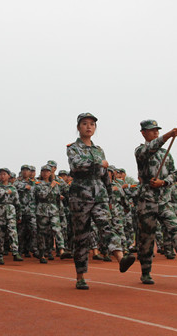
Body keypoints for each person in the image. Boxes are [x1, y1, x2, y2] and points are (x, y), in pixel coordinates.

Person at [67, 113, 135, 290]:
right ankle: (80, 276)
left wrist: (110, 196)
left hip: (100, 195)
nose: (89, 127)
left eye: (92, 124)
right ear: (78, 127)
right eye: (84, 124)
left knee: (106, 226)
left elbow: (104, 174)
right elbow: (76, 165)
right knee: (82, 237)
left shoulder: (99, 150)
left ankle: (121, 258)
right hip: (80, 196)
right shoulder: (73, 148)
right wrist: (100, 162)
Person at [134, 119, 177, 285]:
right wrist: (168, 135)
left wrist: (164, 182)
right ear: (143, 133)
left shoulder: (166, 154)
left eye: (157, 130)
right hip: (147, 201)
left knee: (175, 229)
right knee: (147, 238)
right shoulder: (141, 150)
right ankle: (146, 272)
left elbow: (173, 173)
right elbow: (148, 149)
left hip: (164, 200)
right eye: (152, 130)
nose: (155, 132)